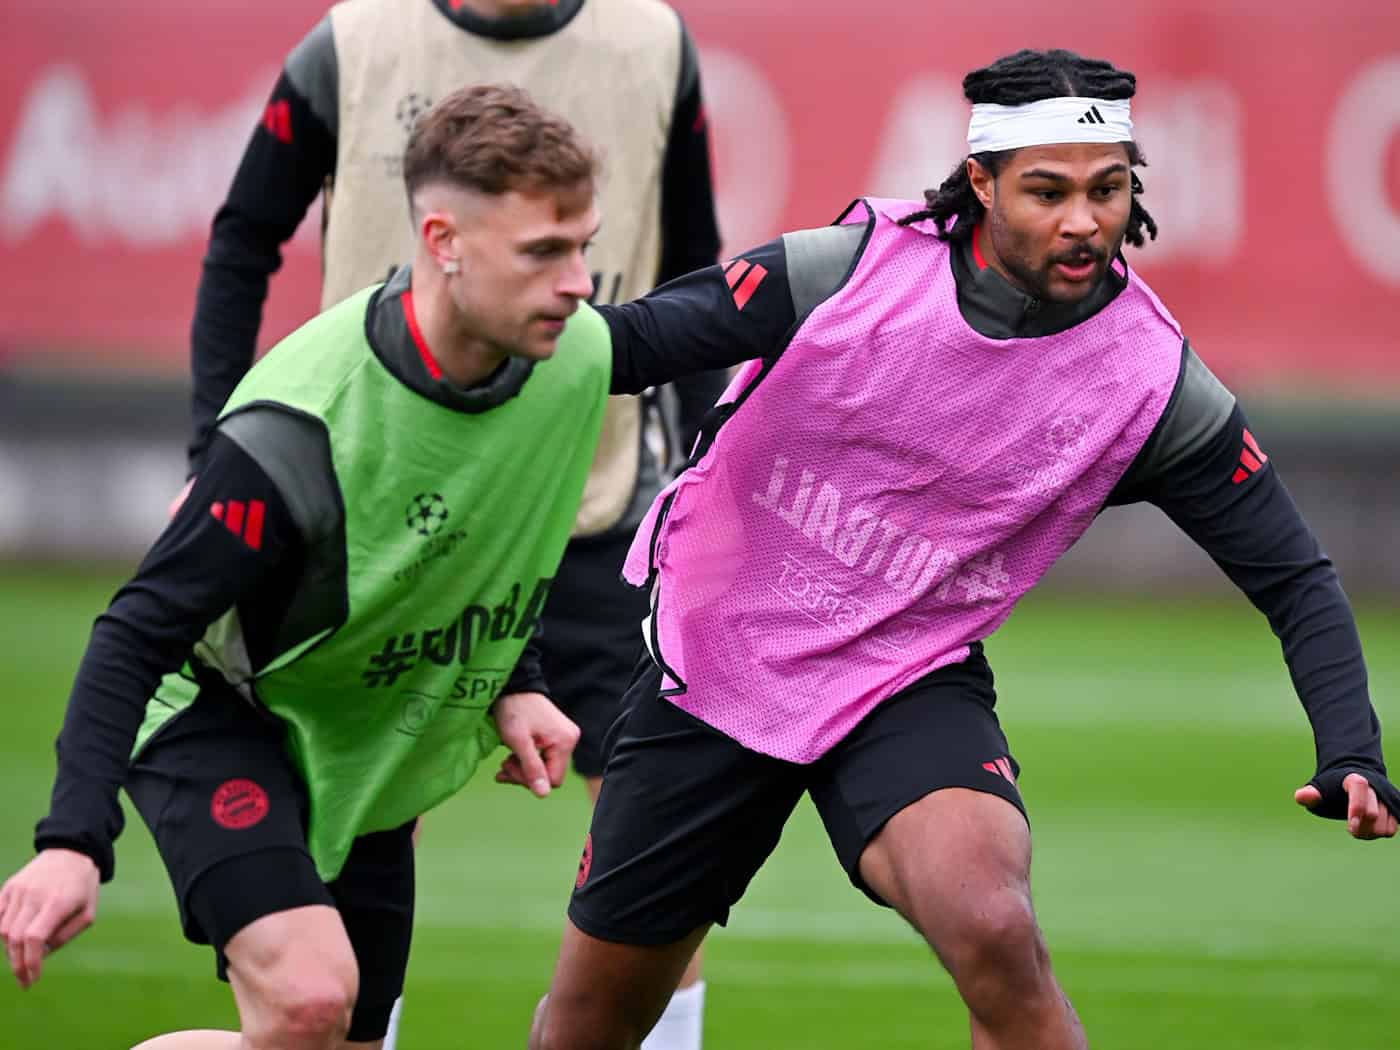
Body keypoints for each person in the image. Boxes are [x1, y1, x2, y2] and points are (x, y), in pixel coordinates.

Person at [524, 48, 1400, 1050]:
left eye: (1109, 189)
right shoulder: (843, 270)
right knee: (589, 1026)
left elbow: (1292, 575)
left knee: (994, 928)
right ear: (980, 183)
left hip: (903, 673)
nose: (1085, 220)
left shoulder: (1149, 381)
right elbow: (626, 345)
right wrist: (463, 327)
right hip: (719, 659)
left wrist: (1349, 747)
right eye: (1048, 192)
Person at [2, 84, 629, 1050]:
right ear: (443, 241)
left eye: (585, 246)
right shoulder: (299, 428)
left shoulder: (569, 359)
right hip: (219, 715)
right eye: (544, 252)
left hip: (360, 738)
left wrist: (518, 678)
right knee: (308, 999)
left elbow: (470, 544)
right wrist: (71, 843)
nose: (580, 281)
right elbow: (136, 632)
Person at [185, 2, 725, 1045]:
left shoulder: (654, 43)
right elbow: (244, 234)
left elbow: (697, 269)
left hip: (590, 499)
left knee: (656, 829)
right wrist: (213, 450)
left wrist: (706, 477)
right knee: (373, 811)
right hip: (380, 514)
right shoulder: (353, 42)